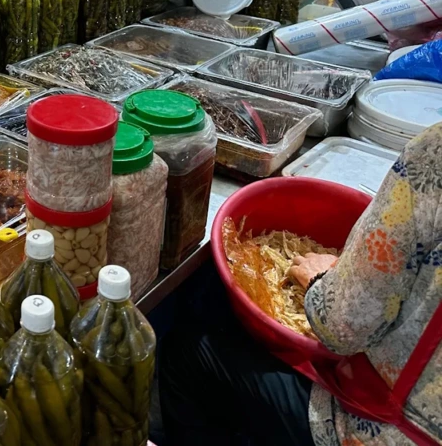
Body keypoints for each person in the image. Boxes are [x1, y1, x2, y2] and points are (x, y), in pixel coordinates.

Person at [159, 124, 442, 446]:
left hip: (387, 431)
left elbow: (343, 328)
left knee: (189, 353)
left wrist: (320, 278)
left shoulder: (434, 154)